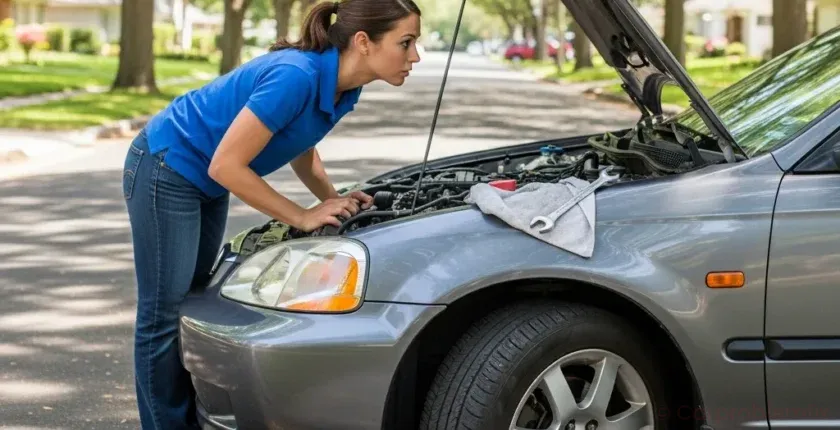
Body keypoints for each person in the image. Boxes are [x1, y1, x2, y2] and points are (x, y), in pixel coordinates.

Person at [120, 0, 422, 428]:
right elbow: (226, 165)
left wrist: (334, 200)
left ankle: (190, 416)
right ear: (363, 42)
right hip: (166, 168)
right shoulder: (296, 76)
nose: (415, 57)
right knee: (163, 312)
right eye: (406, 43)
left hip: (202, 179)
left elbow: (302, 143)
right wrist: (302, 216)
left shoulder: (344, 85)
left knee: (191, 300)